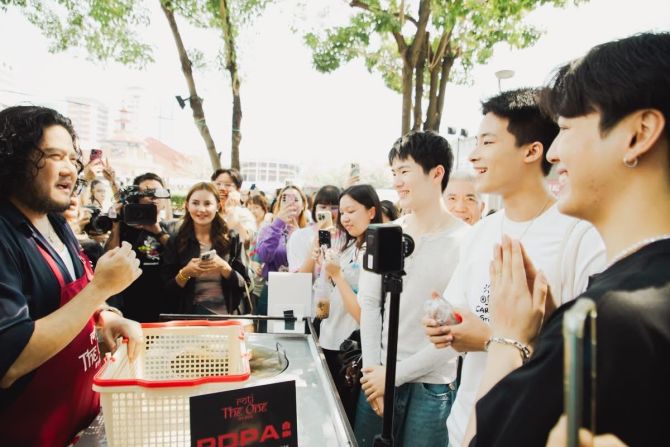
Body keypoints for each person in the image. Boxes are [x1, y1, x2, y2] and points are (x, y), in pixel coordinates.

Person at [466, 32, 670, 447]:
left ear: (639, 134)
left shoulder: (606, 320)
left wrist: (508, 339)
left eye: (566, 128)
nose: (553, 153)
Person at [423, 88, 606, 447]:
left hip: (530, 430)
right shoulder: (482, 231)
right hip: (465, 424)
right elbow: (461, 309)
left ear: (532, 151)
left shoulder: (580, 234)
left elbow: (590, 358)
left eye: (488, 142)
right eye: (476, 142)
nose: (473, 155)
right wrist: (445, 323)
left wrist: (490, 340)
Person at [0, 105, 142, 446]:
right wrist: (100, 289)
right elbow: (11, 361)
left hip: (80, 422)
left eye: (72, 159)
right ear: (14, 161)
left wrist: (106, 317)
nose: (70, 169)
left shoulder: (56, 222)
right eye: (54, 156)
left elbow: (74, 297)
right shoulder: (5, 235)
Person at [355, 131, 470, 447]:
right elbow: (369, 304)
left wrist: (393, 375)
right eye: (394, 173)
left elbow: (459, 330)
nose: (397, 182)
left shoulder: (467, 241)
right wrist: (374, 373)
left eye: (404, 171)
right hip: (377, 377)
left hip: (431, 387)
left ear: (436, 173)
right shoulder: (386, 233)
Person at [316, 184, 383, 423]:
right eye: (342, 212)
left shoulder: (374, 253)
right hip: (330, 339)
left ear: (372, 212)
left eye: (351, 211)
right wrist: (328, 271)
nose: (344, 218)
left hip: (350, 349)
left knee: (344, 419)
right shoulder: (349, 246)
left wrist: (337, 275)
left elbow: (364, 315)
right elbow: (332, 295)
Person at [161, 182, 247, 315]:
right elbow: (166, 290)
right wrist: (185, 273)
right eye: (195, 203)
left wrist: (225, 268)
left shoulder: (231, 238)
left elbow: (245, 284)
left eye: (207, 204)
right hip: (188, 318)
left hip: (226, 318)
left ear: (217, 206)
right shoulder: (175, 241)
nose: (201, 209)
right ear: (187, 205)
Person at [104, 172, 173, 322]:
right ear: (137, 198)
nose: (154, 197)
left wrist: (157, 231)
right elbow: (110, 257)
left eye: (159, 192)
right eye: (148, 193)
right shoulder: (125, 225)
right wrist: (116, 224)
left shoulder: (170, 228)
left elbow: (179, 255)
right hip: (128, 303)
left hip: (163, 303)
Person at [255, 185, 310, 328]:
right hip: (272, 290)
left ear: (303, 205)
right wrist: (278, 224)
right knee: (267, 334)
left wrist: (298, 236)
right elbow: (263, 256)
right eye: (285, 199)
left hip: (300, 292)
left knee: (296, 335)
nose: (291, 203)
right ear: (279, 204)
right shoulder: (268, 229)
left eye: (295, 199)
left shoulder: (309, 232)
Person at [288, 184, 341, 274]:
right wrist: (316, 242)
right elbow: (299, 276)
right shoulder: (299, 236)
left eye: (334, 208)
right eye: (323, 207)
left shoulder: (348, 236)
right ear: (315, 209)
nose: (328, 211)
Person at [212, 168, 257, 244]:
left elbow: (247, 241)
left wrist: (231, 213)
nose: (221, 188)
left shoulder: (244, 214)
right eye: (218, 184)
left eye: (228, 185)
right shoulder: (205, 210)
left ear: (238, 189)